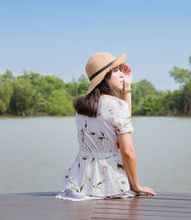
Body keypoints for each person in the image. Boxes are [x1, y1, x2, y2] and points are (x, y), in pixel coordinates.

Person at [55, 52, 156, 200]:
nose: (121, 74)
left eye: (121, 70)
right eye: (116, 71)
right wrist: (136, 185)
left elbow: (123, 117)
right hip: (110, 182)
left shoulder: (83, 107)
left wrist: (126, 87)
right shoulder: (116, 105)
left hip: (80, 182)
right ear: (104, 78)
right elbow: (127, 152)